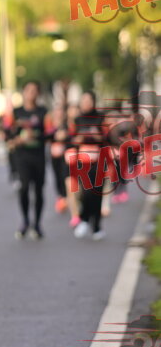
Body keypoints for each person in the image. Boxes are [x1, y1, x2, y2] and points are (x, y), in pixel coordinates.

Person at [6, 80, 48, 240]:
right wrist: (15, 140)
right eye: (28, 90)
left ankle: (37, 224)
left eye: (34, 90)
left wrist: (35, 135)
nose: (31, 93)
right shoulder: (16, 112)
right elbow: (7, 131)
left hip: (38, 156)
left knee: (38, 190)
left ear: (38, 93)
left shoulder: (43, 112)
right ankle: (25, 221)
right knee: (24, 188)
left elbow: (50, 133)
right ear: (23, 92)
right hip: (22, 157)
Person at [68, 91, 107, 240]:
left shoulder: (101, 118)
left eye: (88, 100)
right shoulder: (77, 119)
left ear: (93, 101)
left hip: (99, 161)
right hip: (82, 162)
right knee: (86, 192)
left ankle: (96, 226)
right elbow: (71, 139)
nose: (86, 103)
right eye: (83, 100)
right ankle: (84, 219)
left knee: (97, 193)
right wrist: (78, 139)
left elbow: (108, 138)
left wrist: (98, 136)